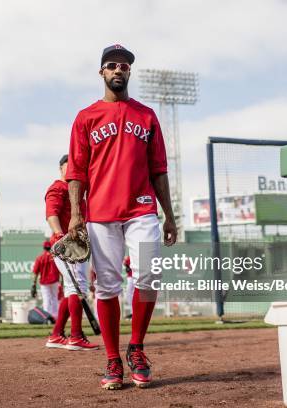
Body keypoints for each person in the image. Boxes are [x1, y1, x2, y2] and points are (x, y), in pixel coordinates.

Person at [66, 44, 177, 389]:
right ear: (102, 72)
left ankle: (137, 349)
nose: (119, 70)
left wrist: (169, 216)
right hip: (100, 212)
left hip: (142, 208)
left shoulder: (146, 116)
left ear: (130, 73)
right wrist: (74, 216)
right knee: (110, 286)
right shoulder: (86, 117)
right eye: (112, 65)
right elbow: (76, 172)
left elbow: (159, 169)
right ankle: (113, 359)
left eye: (125, 66)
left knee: (148, 276)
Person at [44, 154, 99, 351]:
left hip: (75, 245)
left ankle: (57, 335)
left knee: (72, 289)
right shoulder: (59, 187)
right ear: (61, 168)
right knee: (77, 288)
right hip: (67, 245)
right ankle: (76, 336)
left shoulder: (73, 190)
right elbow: (51, 213)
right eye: (69, 166)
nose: (73, 170)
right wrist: (59, 234)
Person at [31, 240, 61, 318]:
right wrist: (62, 282)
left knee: (46, 298)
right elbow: (61, 270)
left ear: (44, 248)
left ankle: (47, 317)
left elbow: (35, 273)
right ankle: (55, 316)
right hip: (55, 281)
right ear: (51, 247)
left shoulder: (40, 258)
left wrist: (33, 284)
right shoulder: (55, 258)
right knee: (54, 298)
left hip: (44, 282)